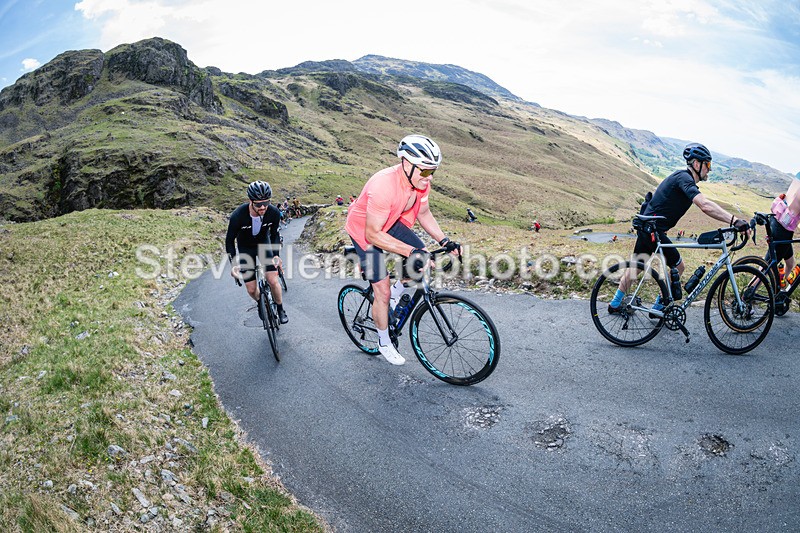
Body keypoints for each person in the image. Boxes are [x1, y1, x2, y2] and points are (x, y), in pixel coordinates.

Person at [344, 134, 462, 365]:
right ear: (407, 164)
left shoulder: (419, 183)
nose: (429, 177)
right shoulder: (383, 185)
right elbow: (373, 234)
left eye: (433, 171)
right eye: (425, 171)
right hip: (365, 232)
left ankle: (398, 293)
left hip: (391, 223)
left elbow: (424, 213)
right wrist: (409, 251)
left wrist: (444, 241)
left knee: (421, 258)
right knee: (382, 289)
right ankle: (384, 342)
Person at [609, 143, 750, 313]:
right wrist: (734, 220)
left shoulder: (682, 178)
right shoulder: (685, 179)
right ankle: (659, 307)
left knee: (637, 267)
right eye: (708, 165)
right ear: (697, 164)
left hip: (649, 227)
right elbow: (704, 205)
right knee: (678, 266)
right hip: (652, 230)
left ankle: (616, 304)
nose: (709, 170)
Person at [226, 181, 288, 324]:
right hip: (245, 248)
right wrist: (234, 263)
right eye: (258, 204)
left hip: (263, 245)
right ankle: (262, 302)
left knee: (273, 280)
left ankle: (280, 309)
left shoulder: (273, 212)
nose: (263, 207)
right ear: (250, 201)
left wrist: (276, 255)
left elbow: (274, 235)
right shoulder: (238, 216)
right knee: (252, 289)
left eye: (266, 203)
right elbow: (229, 241)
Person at [770, 177, 800, 288]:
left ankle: (781, 292)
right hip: (783, 229)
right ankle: (746, 297)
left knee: (790, 263)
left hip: (777, 219)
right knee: (766, 266)